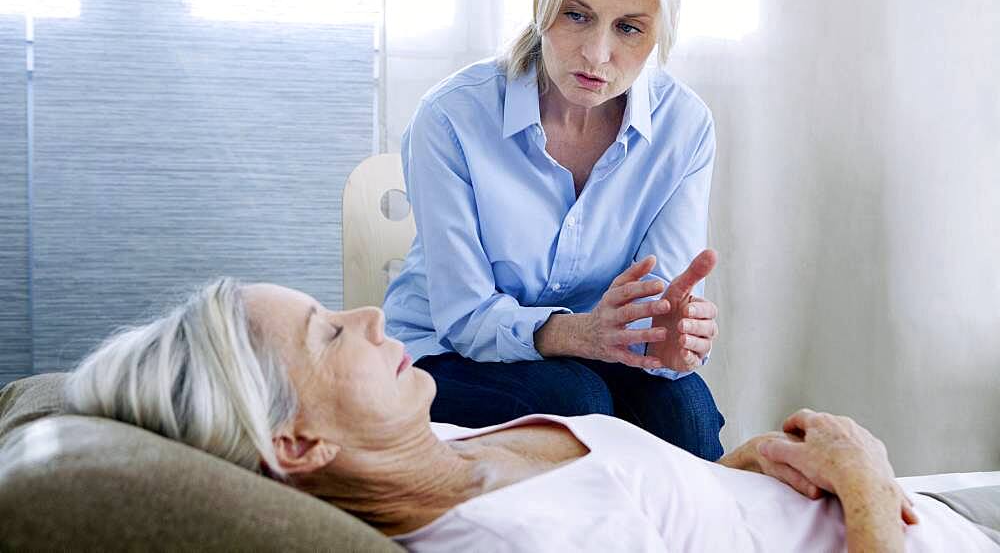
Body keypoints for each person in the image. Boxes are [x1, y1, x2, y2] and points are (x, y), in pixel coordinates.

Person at [66, 280, 997, 552]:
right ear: (297, 442)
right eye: (329, 334)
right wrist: (868, 483)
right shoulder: (519, 543)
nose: (374, 315)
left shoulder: (437, 446)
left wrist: (745, 468)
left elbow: (658, 505)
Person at [383, 0, 726, 459]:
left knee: (683, 413)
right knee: (577, 402)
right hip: (449, 353)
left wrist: (670, 341)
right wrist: (582, 333)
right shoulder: (451, 118)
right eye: (576, 15)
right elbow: (465, 317)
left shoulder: (684, 128)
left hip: (598, 356)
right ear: (543, 2)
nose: (596, 54)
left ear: (660, 32)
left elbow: (657, 303)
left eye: (630, 29)